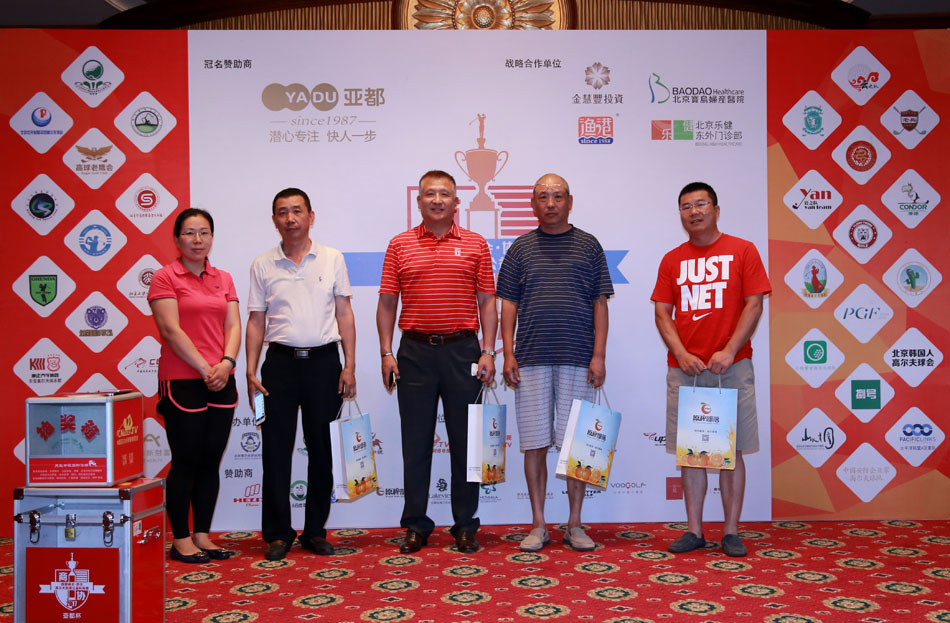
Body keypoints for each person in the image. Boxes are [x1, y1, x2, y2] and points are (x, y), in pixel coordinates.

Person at [377, 170, 497, 555]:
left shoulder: (476, 244)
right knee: (415, 444)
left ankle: (465, 525)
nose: (437, 200)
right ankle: (416, 524)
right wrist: (386, 352)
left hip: (463, 352)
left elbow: (487, 301)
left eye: (445, 194)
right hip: (414, 353)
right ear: (418, 201)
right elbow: (387, 303)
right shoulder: (399, 244)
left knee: (467, 443)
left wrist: (488, 350)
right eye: (430, 194)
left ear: (456, 202)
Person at [651, 181, 771, 557]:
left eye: (701, 204)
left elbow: (754, 304)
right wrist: (681, 353)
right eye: (686, 206)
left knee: (731, 452)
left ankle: (731, 531)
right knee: (692, 454)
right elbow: (662, 313)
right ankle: (694, 530)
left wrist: (730, 350)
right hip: (685, 369)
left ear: (716, 210)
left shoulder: (743, 250)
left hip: (732, 367)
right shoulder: (672, 259)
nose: (694, 212)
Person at [496, 173, 613, 552]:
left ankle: (575, 524)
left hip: (578, 358)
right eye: (543, 197)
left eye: (557, 196)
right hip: (530, 359)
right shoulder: (520, 248)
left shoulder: (589, 245)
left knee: (577, 446)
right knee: (533, 444)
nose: (550, 203)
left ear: (570, 201)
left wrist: (599, 355)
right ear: (533, 204)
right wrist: (508, 352)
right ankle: (538, 525)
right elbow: (508, 304)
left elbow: (600, 303)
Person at [245, 187, 357, 561]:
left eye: (297, 211)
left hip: (324, 364)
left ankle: (314, 532)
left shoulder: (332, 258)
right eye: (282, 212)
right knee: (275, 451)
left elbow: (344, 313)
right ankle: (278, 534)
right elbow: (256, 320)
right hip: (278, 365)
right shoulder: (262, 264)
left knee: (322, 450)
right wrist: (250, 370)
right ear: (274, 220)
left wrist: (349, 364)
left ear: (311, 216)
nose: (290, 218)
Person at [148, 208, 241, 563]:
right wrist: (205, 368)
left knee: (210, 460)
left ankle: (202, 534)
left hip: (221, 379)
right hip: (182, 380)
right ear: (177, 239)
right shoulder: (164, 277)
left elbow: (233, 326)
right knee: (185, 460)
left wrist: (226, 364)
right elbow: (170, 330)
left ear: (212, 238)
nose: (197, 240)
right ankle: (181, 539)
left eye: (204, 232)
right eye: (189, 233)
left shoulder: (224, 278)